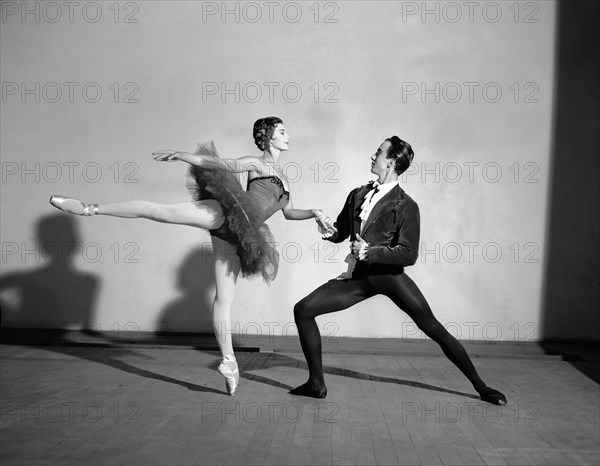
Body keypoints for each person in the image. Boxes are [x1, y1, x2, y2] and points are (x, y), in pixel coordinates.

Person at [50, 116, 332, 396]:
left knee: (224, 298)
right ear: (268, 136)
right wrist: (183, 156)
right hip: (228, 213)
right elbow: (223, 165)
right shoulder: (256, 163)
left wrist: (314, 213)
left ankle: (229, 361)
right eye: (283, 132)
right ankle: (89, 208)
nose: (288, 136)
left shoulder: (285, 180)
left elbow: (289, 212)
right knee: (161, 211)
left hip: (241, 237)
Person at [290, 136, 507, 405]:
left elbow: (408, 253)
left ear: (391, 161)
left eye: (378, 152)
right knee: (303, 309)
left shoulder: (406, 205)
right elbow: (341, 233)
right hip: (359, 279)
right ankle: (316, 383)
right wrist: (329, 230)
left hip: (390, 279)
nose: (373, 156)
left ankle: (481, 386)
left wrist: (370, 252)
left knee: (434, 328)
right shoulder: (357, 195)